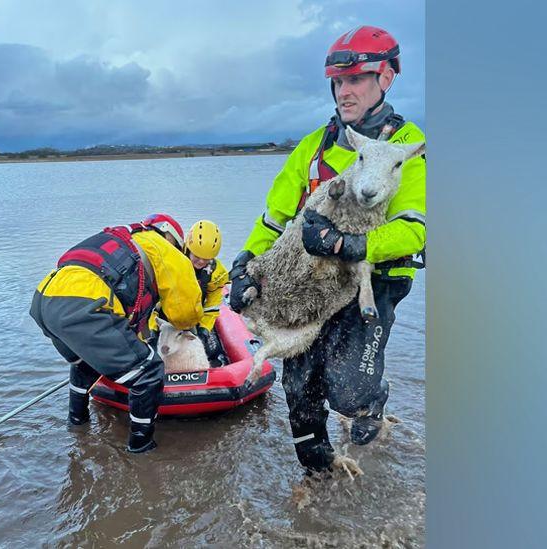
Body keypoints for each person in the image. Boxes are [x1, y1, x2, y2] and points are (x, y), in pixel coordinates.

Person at [228, 25, 426, 472]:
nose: (344, 91)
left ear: (386, 79)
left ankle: (371, 401)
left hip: (373, 283)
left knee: (348, 391)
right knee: (298, 387)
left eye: (356, 79)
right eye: (338, 82)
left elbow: (415, 229)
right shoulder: (313, 147)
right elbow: (274, 221)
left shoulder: (407, 147)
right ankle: (316, 474)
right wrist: (246, 265)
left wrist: (348, 244)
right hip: (309, 285)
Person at [30, 213, 202, 453]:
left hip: (44, 301)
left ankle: (77, 423)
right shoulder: (167, 251)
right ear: (172, 239)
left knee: (86, 363)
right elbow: (186, 315)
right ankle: (141, 448)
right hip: (85, 307)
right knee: (148, 373)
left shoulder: (122, 239)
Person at [184, 220, 229, 361]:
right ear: (189, 248)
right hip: (168, 317)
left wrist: (203, 329)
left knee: (213, 352)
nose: (201, 262)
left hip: (197, 316)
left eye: (206, 259)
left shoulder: (217, 273)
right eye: (197, 257)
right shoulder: (173, 263)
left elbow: (212, 304)